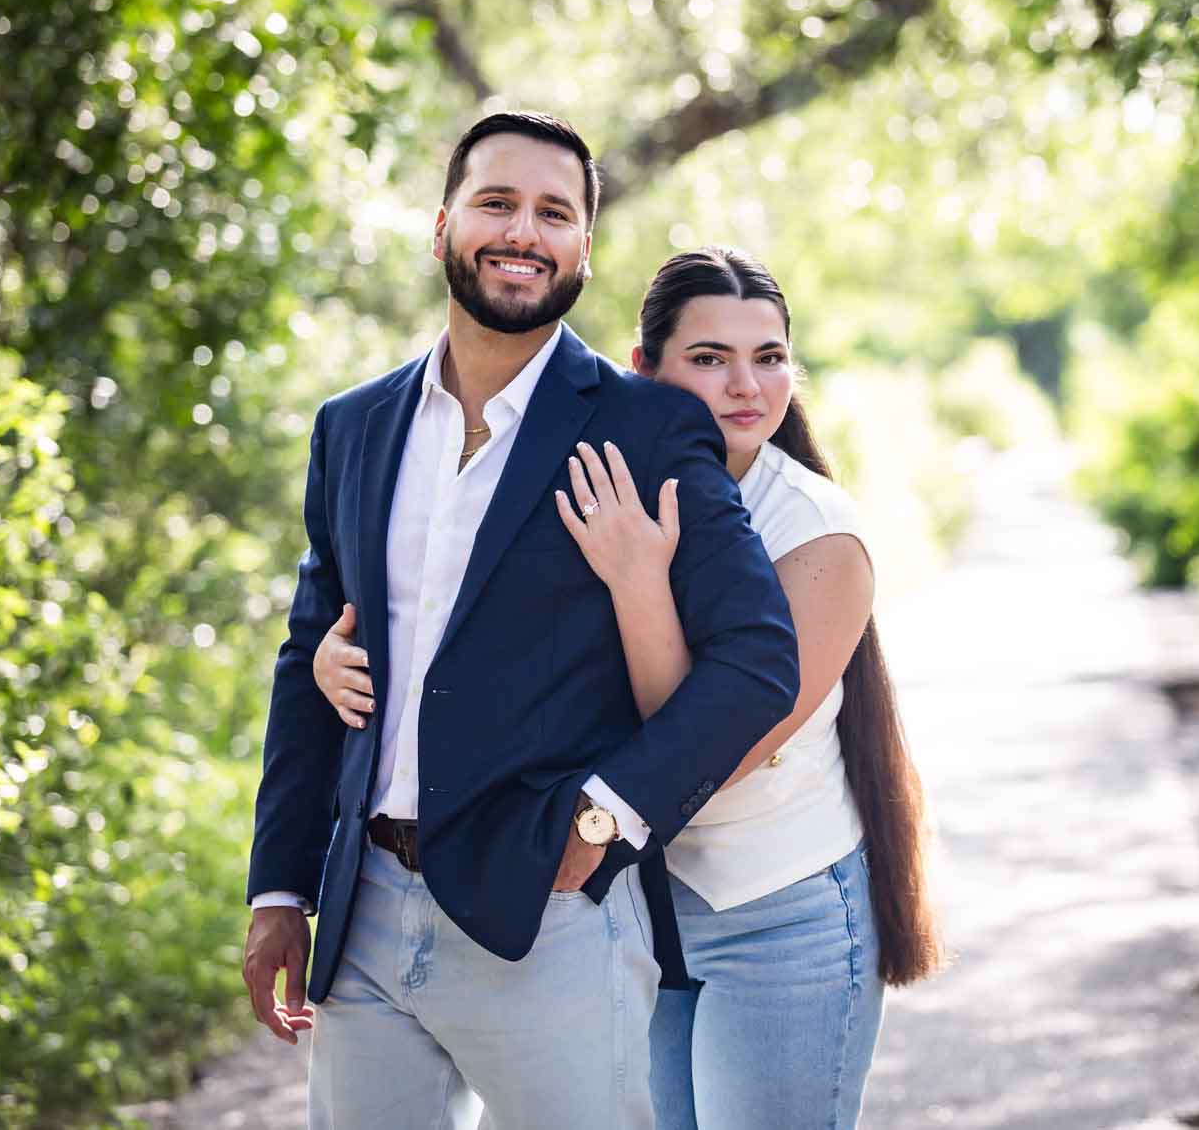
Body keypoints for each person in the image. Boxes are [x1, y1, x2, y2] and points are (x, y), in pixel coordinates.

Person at [241, 113, 800, 1130]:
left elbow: (758, 660)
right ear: (443, 223)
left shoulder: (646, 425)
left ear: (584, 246)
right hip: (361, 907)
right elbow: (306, 654)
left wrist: (605, 817)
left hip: (548, 914)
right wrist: (278, 887)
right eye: (497, 202)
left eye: (554, 212)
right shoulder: (353, 426)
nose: (523, 231)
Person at [314, 247, 943, 1128]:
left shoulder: (818, 537)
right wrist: (337, 658)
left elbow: (716, 741)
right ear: (640, 370)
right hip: (635, 904)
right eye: (709, 358)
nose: (745, 387)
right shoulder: (601, 475)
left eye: (769, 358)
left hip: (775, 915)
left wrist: (638, 579)